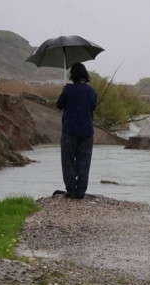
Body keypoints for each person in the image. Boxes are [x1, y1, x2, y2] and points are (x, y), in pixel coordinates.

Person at [55, 62, 97, 199]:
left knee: (68, 161)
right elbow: (93, 107)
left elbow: (59, 105)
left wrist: (64, 91)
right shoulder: (92, 91)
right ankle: (81, 192)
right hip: (87, 131)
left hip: (70, 130)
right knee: (84, 161)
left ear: (72, 75)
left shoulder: (68, 90)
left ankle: (71, 190)